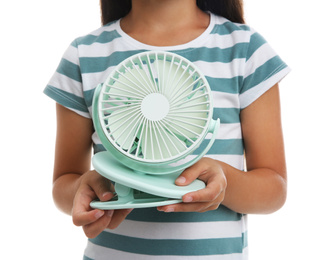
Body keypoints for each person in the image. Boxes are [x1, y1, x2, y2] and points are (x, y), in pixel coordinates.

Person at [44, 0, 290, 259]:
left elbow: (274, 189)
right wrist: (87, 188)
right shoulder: (84, 54)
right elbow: (64, 184)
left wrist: (224, 183)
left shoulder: (244, 50)